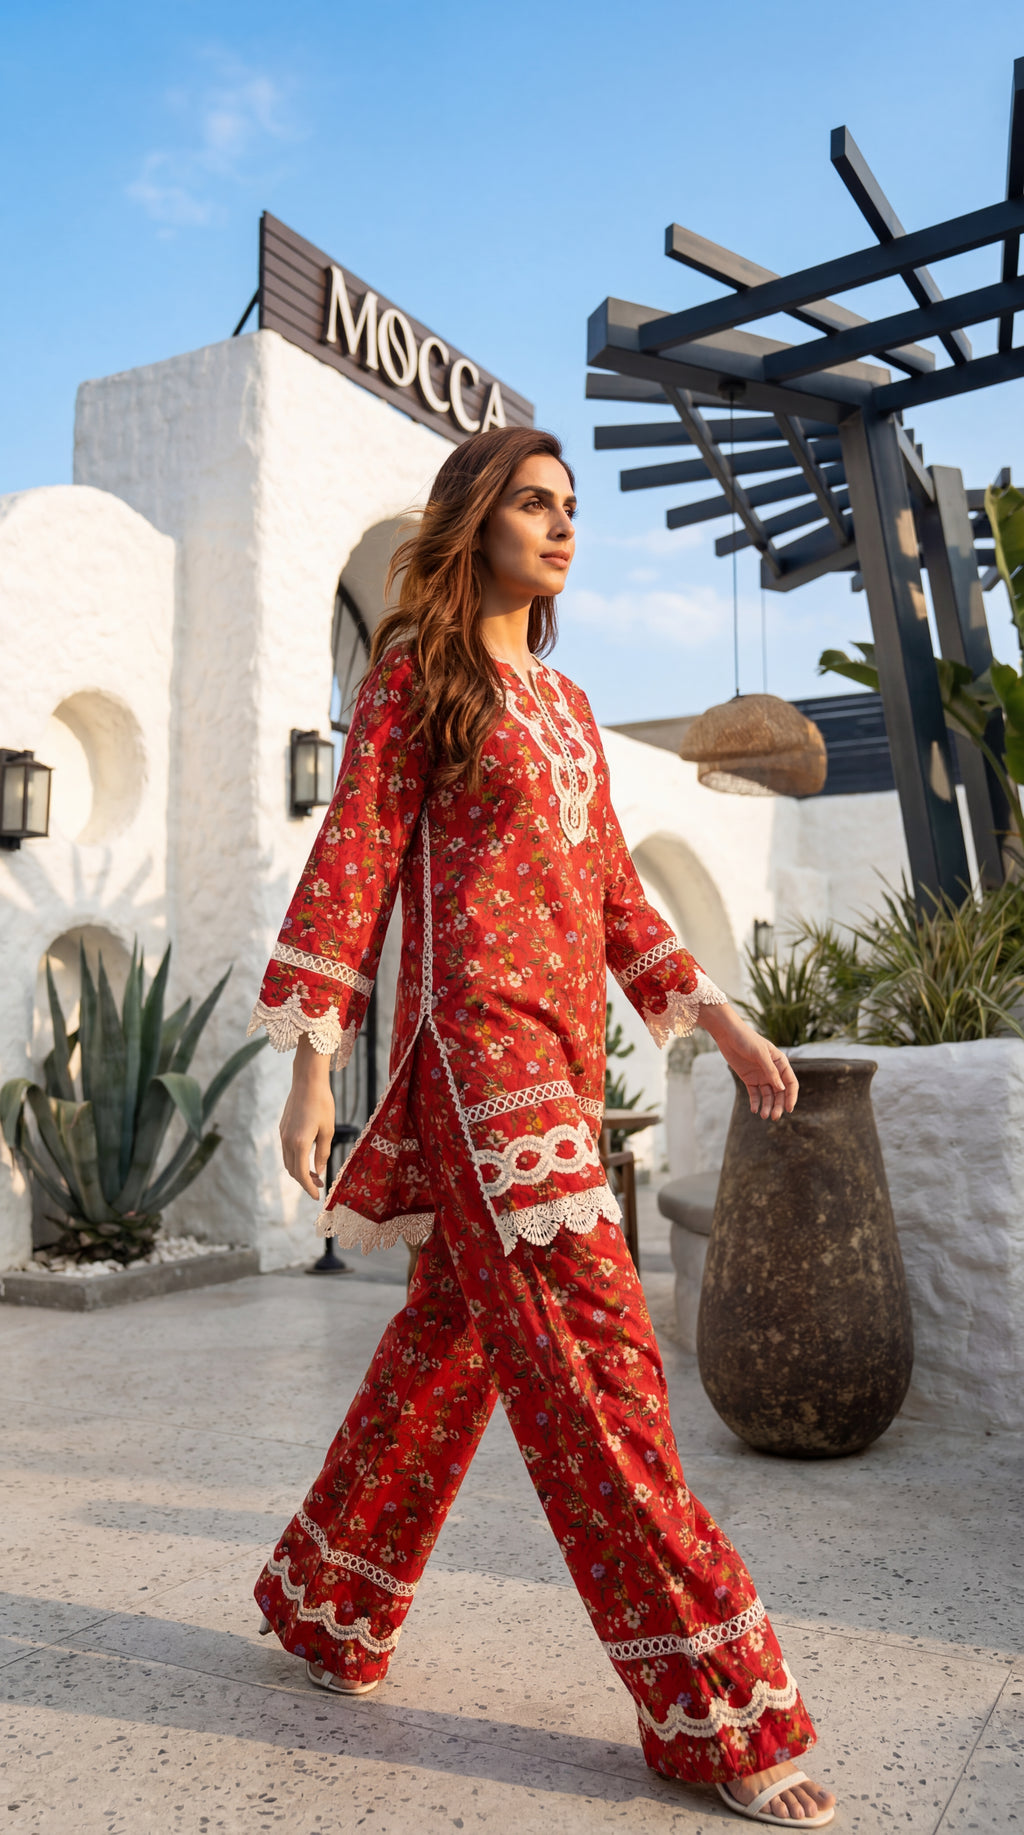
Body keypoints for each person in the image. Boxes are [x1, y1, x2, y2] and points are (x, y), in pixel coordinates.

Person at [249, 427, 837, 1827]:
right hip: (477, 1056)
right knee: (600, 1371)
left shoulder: (570, 709)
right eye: (533, 502)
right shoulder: (419, 678)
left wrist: (728, 1019)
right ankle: (714, 1706)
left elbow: (620, 902)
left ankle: (332, 1602)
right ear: (475, 520)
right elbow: (355, 857)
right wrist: (315, 1062)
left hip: (565, 1068)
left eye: (572, 506)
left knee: (452, 1346)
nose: (563, 526)